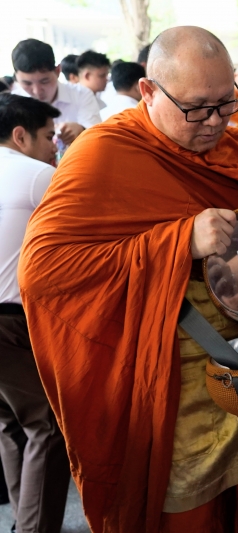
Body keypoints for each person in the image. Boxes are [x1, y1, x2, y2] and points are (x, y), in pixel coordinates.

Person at [18, 26, 238, 533]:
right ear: (148, 92)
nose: (214, 122)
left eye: (225, 102)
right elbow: (45, 273)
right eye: (196, 108)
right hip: (177, 389)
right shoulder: (104, 155)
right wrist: (177, 242)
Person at [0, 93, 71, 533]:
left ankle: (22, 517)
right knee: (48, 425)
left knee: (10, 423)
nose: (53, 147)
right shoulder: (37, 174)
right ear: (21, 135)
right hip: (9, 322)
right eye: (48, 137)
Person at [11, 39, 101, 145]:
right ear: (16, 76)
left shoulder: (81, 95)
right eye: (27, 83)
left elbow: (97, 136)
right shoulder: (13, 105)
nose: (37, 90)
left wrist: (82, 129)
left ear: (58, 71)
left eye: (44, 81)